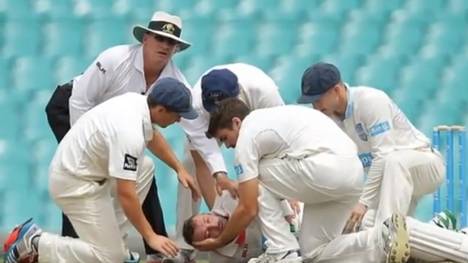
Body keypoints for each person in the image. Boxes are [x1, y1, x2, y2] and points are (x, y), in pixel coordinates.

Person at [194, 98, 468, 263]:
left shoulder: (250, 133)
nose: (227, 147)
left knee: (255, 176)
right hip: (346, 174)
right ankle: (388, 240)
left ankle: (282, 253)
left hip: (326, 171)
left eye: (224, 138)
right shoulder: (278, 116)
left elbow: (249, 206)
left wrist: (220, 241)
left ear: (236, 122)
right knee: (316, 252)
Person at [44, 11, 191, 262]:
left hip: (114, 126)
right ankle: (73, 247)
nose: (165, 46)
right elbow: (80, 101)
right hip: (70, 109)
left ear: (176, 49)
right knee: (85, 181)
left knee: (141, 170)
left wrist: (180, 167)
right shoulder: (115, 59)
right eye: (159, 38)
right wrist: (86, 151)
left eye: (171, 42)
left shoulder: (175, 83)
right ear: (145, 38)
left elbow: (165, 132)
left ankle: (150, 252)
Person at [4, 78, 200, 263]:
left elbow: (152, 136)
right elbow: (126, 194)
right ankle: (36, 242)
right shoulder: (129, 132)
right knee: (109, 258)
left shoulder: (138, 103)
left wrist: (179, 168)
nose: (180, 119)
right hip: (74, 183)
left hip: (88, 175)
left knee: (145, 167)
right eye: (178, 114)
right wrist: (151, 237)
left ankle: (117, 249)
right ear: (161, 109)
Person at [296, 62, 445, 233]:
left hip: (426, 164)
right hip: (390, 180)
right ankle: (440, 227)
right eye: (311, 101)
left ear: (336, 90)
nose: (315, 106)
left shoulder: (370, 100)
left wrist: (364, 202)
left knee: (392, 163)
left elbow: (383, 155)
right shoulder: (327, 118)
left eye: (318, 99)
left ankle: (388, 237)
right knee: (366, 224)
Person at [175, 63, 285, 256]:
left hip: (264, 124)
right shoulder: (196, 107)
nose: (220, 113)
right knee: (189, 165)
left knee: (268, 166)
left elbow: (281, 146)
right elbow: (202, 163)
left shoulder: (263, 92)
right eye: (215, 109)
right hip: (206, 127)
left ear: (238, 95)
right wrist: (221, 217)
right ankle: (184, 249)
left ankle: (277, 231)